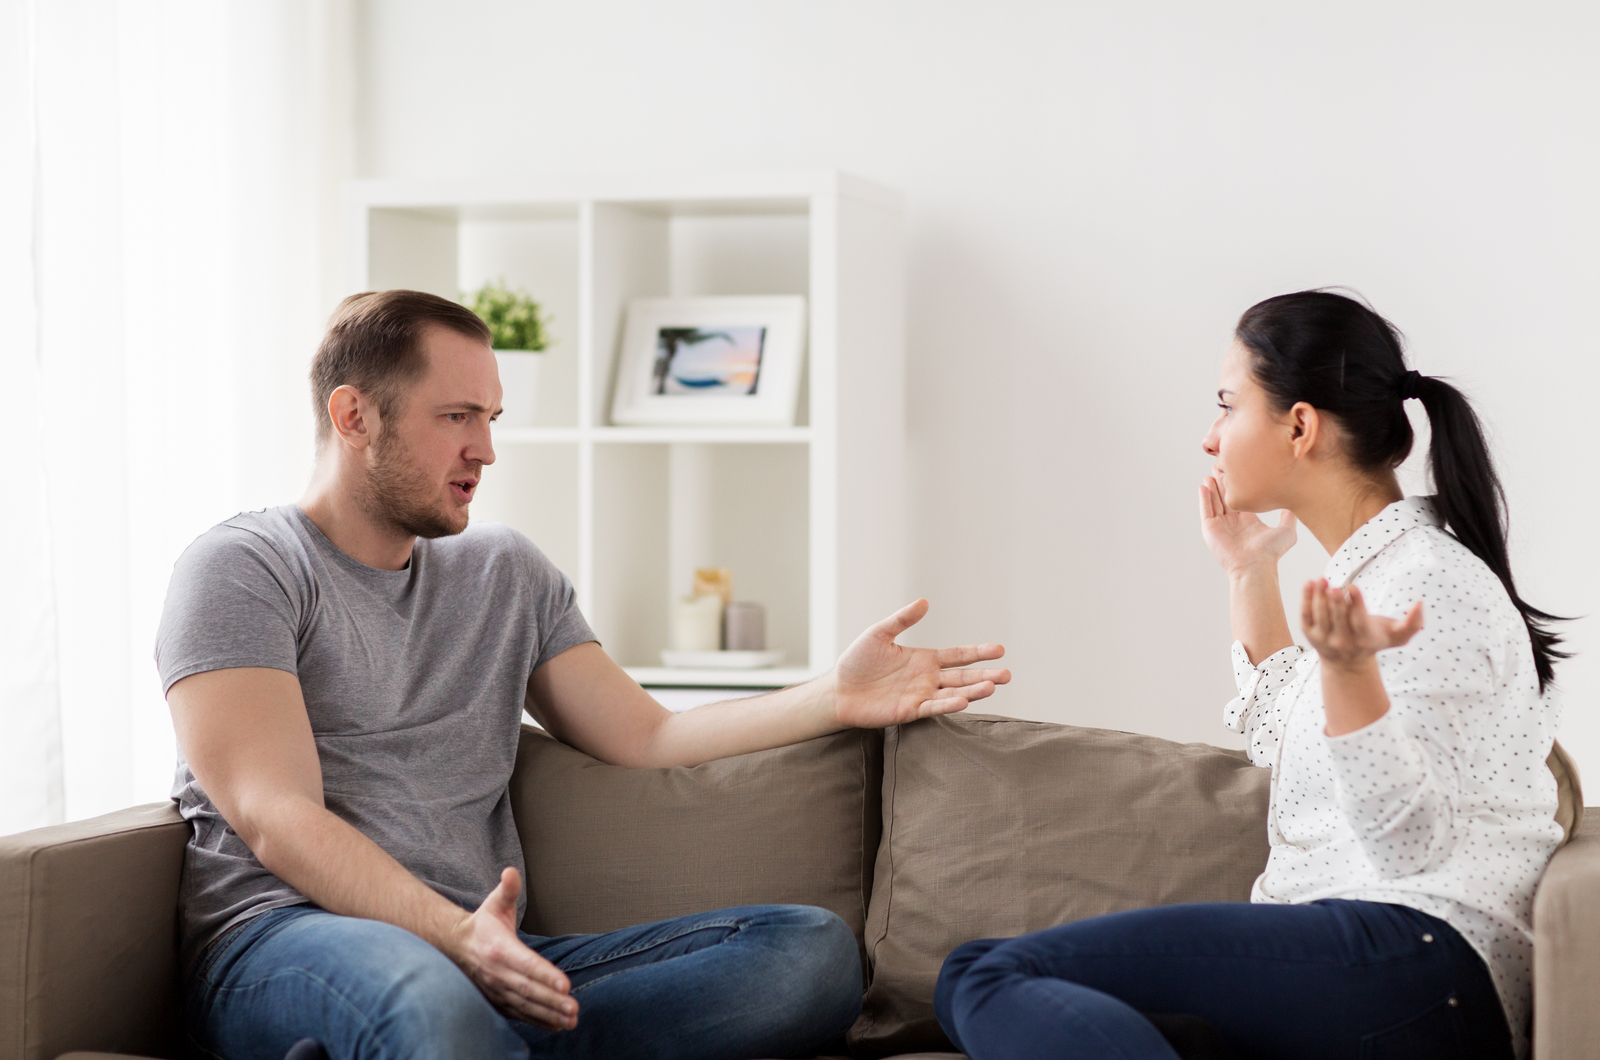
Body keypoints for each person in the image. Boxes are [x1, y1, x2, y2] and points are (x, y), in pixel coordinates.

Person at [158, 289, 1011, 1060]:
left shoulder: (502, 572)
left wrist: (835, 694)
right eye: (457, 416)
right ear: (354, 416)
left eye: (492, 417)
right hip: (289, 941)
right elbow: (278, 817)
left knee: (809, 956)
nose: (486, 450)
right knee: (430, 1006)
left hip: (495, 961)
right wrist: (456, 939)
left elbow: (647, 734)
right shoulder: (243, 570)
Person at [933, 290, 1567, 1060]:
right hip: (1394, 955)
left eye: (1227, 406)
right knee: (1031, 994)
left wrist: (1350, 675)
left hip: (1423, 955)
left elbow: (1414, 845)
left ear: (1300, 426)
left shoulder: (1425, 587)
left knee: (987, 976)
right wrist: (1249, 573)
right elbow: (1287, 740)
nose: (1209, 438)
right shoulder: (1379, 578)